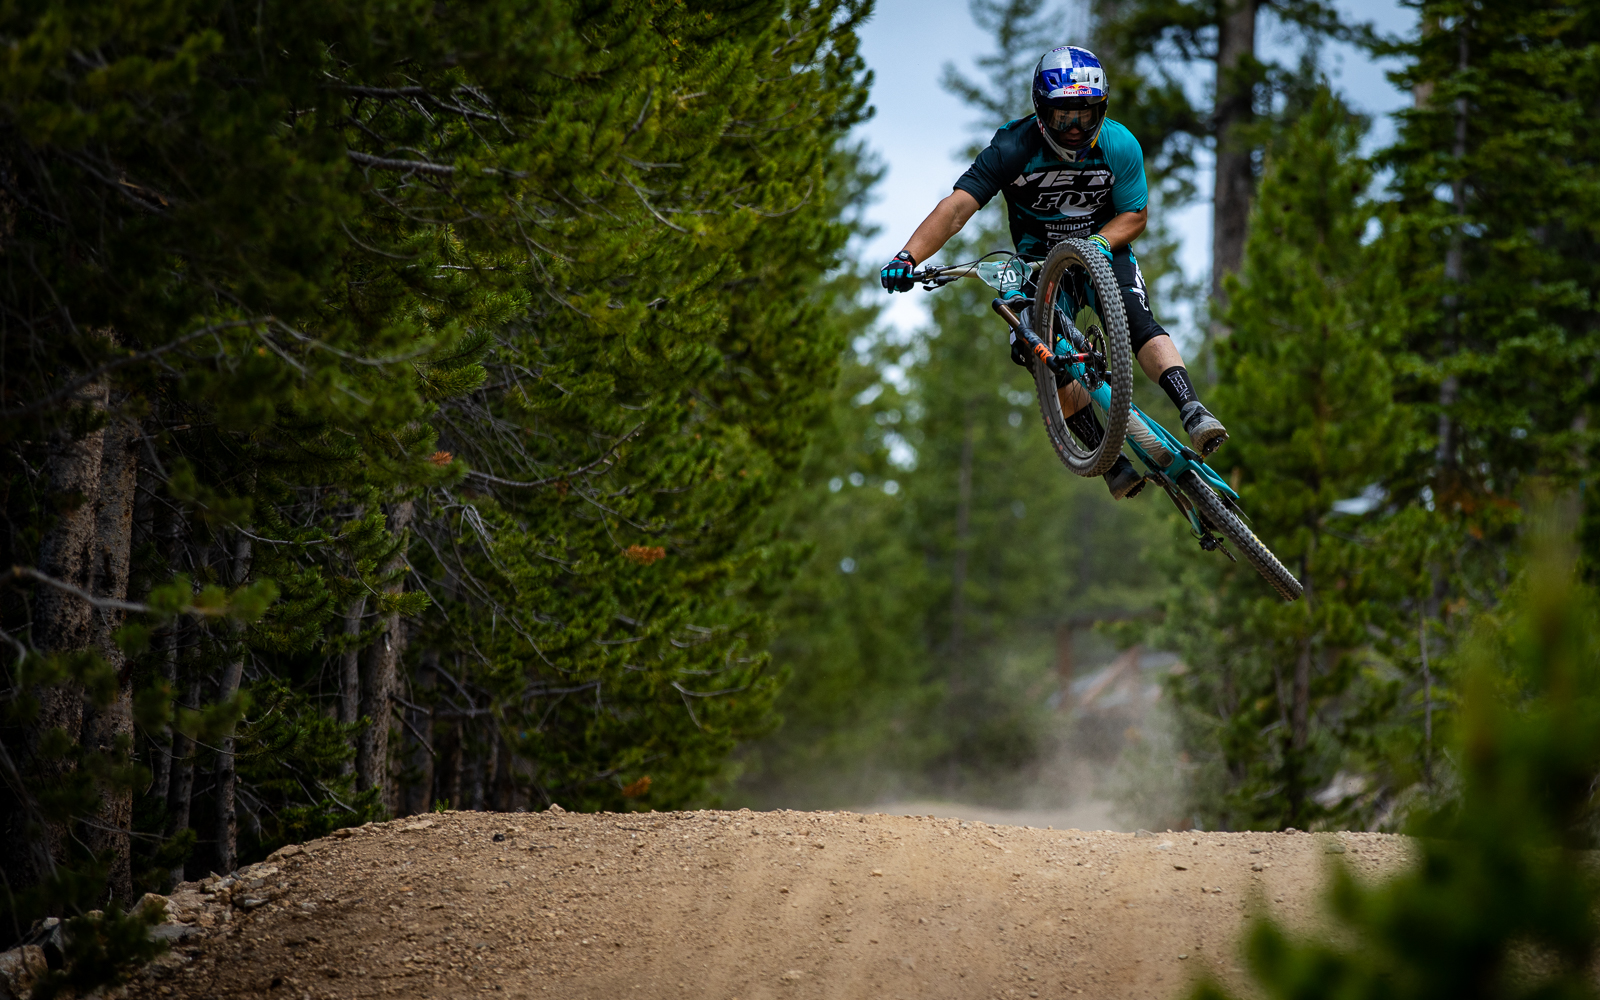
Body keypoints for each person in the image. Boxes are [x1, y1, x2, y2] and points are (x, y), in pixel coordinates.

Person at [879, 45, 1226, 500]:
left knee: (1137, 320)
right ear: (1042, 112)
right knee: (1033, 346)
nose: (1077, 128)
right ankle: (1110, 462)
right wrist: (909, 256)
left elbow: (1135, 217)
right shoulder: (1012, 146)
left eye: (1086, 115)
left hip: (1104, 245)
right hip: (1034, 261)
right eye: (1064, 118)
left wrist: (1098, 243)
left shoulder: (1120, 144)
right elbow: (957, 208)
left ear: (1101, 109)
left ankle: (1192, 409)